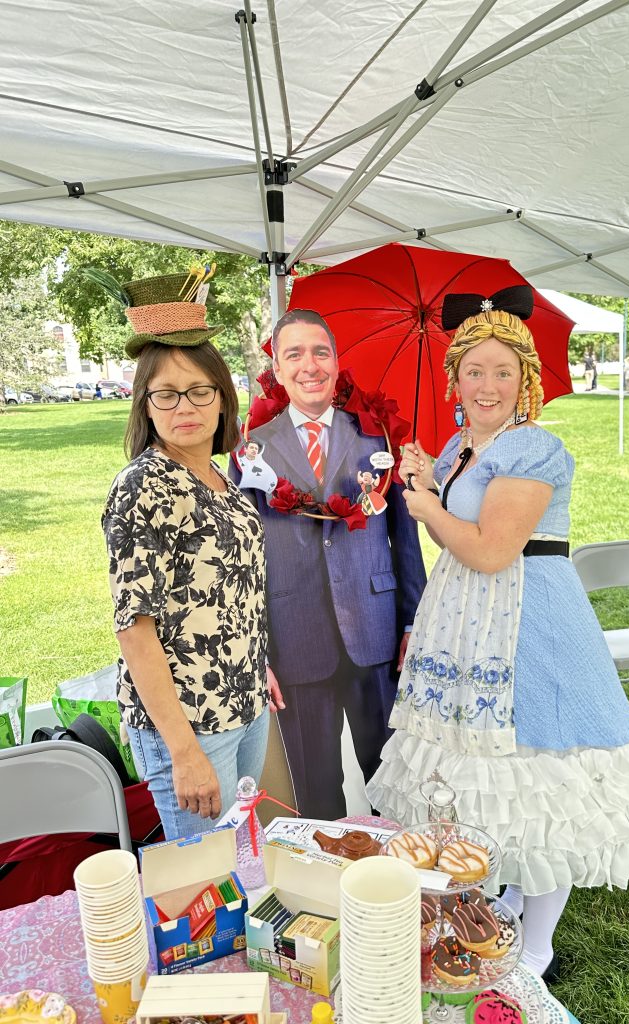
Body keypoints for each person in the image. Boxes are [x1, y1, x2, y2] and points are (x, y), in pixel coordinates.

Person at [367, 292, 629, 981]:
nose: (486, 386)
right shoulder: (466, 447)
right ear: (454, 380)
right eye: (473, 372)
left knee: (540, 772)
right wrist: (433, 481)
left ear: (526, 381)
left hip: (530, 622)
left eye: (502, 372)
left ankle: (539, 942)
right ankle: (509, 901)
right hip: (469, 622)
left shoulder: (535, 447)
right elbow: (464, 532)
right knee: (485, 772)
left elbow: (492, 550)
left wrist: (429, 506)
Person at [231, 308, 427, 820]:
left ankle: (395, 886)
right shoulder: (252, 449)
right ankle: (330, 890)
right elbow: (244, 561)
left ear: (337, 362)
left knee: (391, 778)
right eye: (293, 354)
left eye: (320, 352)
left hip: (375, 633)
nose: (309, 365)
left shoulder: (376, 437)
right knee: (317, 792)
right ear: (276, 368)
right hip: (294, 638)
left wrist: (413, 619)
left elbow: (405, 538)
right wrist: (257, 650)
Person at [102, 273, 276, 840]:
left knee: (237, 867)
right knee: (205, 887)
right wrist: (183, 752)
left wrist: (257, 664)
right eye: (167, 394)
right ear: (145, 405)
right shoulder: (143, 486)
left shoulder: (217, 477)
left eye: (200, 390)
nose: (186, 406)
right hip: (191, 725)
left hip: (243, 706)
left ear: (223, 397)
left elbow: (226, 595)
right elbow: (135, 630)